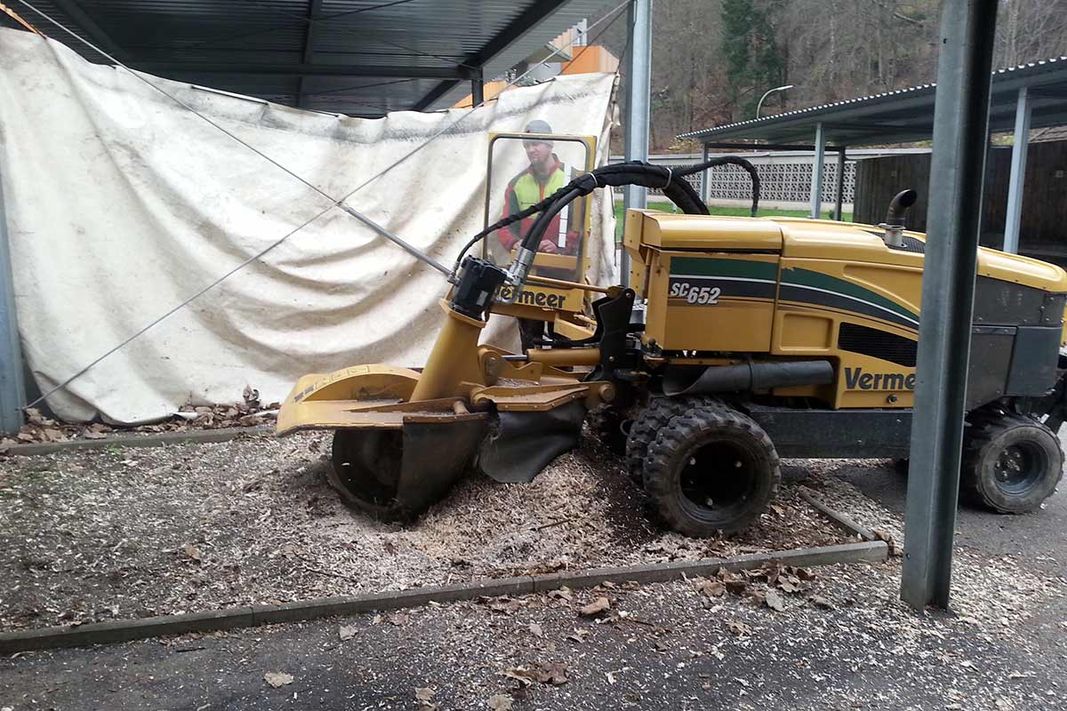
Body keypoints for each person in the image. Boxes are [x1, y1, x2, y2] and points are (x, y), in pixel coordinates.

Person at [496, 120, 579, 258]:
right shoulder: (516, 184)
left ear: (550, 144)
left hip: (564, 267)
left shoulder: (573, 178)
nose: (530, 150)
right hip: (525, 265)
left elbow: (582, 224)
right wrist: (515, 243)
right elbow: (504, 226)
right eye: (527, 146)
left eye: (535, 144)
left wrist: (558, 245)